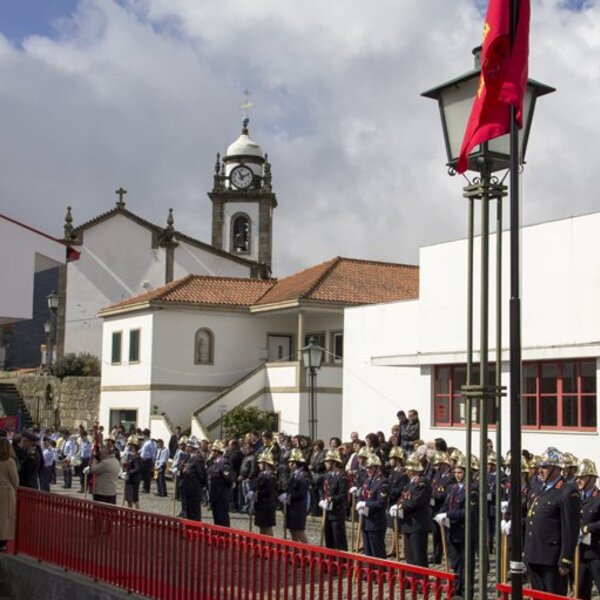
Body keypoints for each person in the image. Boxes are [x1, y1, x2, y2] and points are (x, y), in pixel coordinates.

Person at [524, 447, 580, 596]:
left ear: (557, 469)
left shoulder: (567, 491)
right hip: (534, 555)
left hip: (551, 560)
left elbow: (570, 529)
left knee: (553, 596)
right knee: (537, 596)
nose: (540, 470)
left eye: (545, 467)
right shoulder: (541, 489)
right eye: (540, 467)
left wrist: (566, 560)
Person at [436, 455, 477, 599]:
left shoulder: (472, 489)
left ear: (466, 472)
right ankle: (457, 592)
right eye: (456, 472)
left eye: (460, 472)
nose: (457, 475)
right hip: (453, 532)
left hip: (466, 533)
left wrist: (448, 515)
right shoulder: (453, 488)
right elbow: (446, 504)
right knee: (456, 564)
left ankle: (467, 594)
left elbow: (467, 512)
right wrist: (441, 514)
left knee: (467, 566)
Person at [393, 452, 432, 567]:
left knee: (418, 556)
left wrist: (400, 507)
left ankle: (421, 581)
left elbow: (415, 502)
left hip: (417, 524)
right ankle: (411, 579)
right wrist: (397, 504)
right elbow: (402, 497)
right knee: (409, 555)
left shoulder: (422, 483)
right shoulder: (410, 484)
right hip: (408, 524)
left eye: (411, 470)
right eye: (408, 470)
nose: (408, 472)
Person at [575, 459, 600, 600]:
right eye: (578, 477)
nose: (579, 480)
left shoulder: (599, 498)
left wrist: (586, 528)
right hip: (581, 553)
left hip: (596, 553)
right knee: (581, 591)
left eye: (582, 477)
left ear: (592, 478)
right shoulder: (576, 497)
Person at [357, 453, 389, 558]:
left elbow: (381, 502)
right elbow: (363, 494)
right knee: (368, 551)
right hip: (366, 520)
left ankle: (381, 573)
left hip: (376, 522)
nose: (368, 470)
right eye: (367, 468)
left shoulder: (383, 483)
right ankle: (372, 573)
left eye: (371, 468)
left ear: (377, 468)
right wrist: (360, 503)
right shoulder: (368, 480)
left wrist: (365, 504)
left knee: (377, 551)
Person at [320, 449, 348, 551]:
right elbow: (324, 491)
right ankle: (330, 562)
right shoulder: (327, 475)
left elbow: (343, 495)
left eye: (328, 461)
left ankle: (343, 562)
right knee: (329, 540)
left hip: (336, 512)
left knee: (339, 540)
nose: (325, 463)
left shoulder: (341, 476)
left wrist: (331, 499)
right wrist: (322, 499)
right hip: (327, 512)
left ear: (334, 462)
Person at [280, 448, 310, 543]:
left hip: (299, 507)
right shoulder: (294, 474)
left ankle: (307, 552)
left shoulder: (304, 476)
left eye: (290, 462)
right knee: (292, 531)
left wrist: (289, 496)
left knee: (299, 532)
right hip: (291, 506)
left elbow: (301, 493)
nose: (289, 464)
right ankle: (296, 551)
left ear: (295, 463)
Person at [250, 450, 278, 536]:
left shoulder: (271, 476)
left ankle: (270, 544)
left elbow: (268, 491)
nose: (259, 465)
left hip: (267, 504)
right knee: (261, 527)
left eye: (261, 463)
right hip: (260, 504)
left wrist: (257, 493)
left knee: (267, 527)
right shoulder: (261, 474)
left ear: (266, 464)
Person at [208, 440, 235, 527]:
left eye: (213, 451)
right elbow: (209, 471)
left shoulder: (224, 463)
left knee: (222, 518)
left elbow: (229, 479)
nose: (211, 453)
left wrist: (222, 489)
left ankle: (225, 537)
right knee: (216, 518)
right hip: (214, 495)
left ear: (217, 452)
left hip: (221, 495)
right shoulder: (214, 462)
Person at [180, 439, 208, 521]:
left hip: (194, 489)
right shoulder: (189, 457)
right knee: (189, 511)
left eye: (188, 446)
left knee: (194, 513)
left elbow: (201, 474)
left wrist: (199, 486)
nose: (187, 448)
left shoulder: (198, 458)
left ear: (191, 447)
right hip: (188, 488)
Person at [0, 438, 19, 551]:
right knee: (5, 518)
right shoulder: (9, 461)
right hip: (6, 492)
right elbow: (15, 481)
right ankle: (2, 542)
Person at [123, 436, 143, 509]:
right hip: (129, 479)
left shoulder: (137, 456)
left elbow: (137, 468)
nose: (129, 447)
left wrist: (128, 473)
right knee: (128, 499)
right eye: (129, 445)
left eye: (131, 445)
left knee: (134, 499)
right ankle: (129, 512)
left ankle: (137, 513)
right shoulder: (129, 455)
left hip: (134, 479)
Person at [140, 429, 157, 494]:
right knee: (144, 474)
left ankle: (147, 489)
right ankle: (144, 487)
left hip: (148, 460)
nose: (143, 436)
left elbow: (153, 453)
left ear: (146, 435)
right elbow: (142, 450)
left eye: (143, 435)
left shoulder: (151, 442)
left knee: (147, 475)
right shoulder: (145, 442)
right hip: (143, 460)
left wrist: (153, 461)